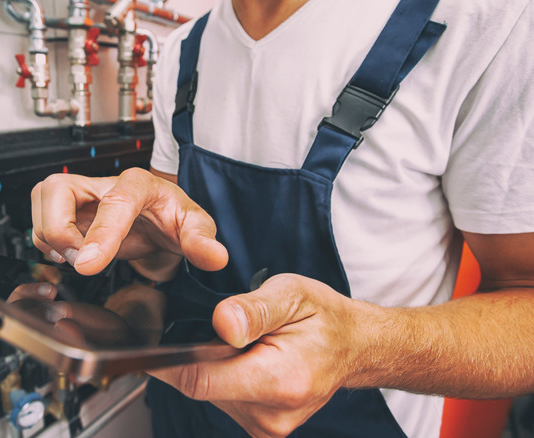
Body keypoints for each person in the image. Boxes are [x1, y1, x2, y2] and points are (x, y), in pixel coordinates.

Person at [26, 0, 534, 436]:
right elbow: (166, 259)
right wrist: (141, 238)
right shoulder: (185, 49)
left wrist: (364, 350)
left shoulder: (482, 23)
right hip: (187, 416)